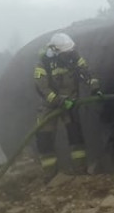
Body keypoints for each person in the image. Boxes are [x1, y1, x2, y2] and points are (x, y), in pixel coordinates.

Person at [34, 32, 101, 176]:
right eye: (65, 53)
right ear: (55, 51)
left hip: (70, 103)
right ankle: (51, 176)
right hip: (50, 105)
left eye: (69, 51)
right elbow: (42, 88)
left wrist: (94, 86)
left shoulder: (73, 56)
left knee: (75, 135)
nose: (69, 55)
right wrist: (58, 100)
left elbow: (86, 72)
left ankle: (81, 171)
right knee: (44, 138)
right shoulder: (43, 63)